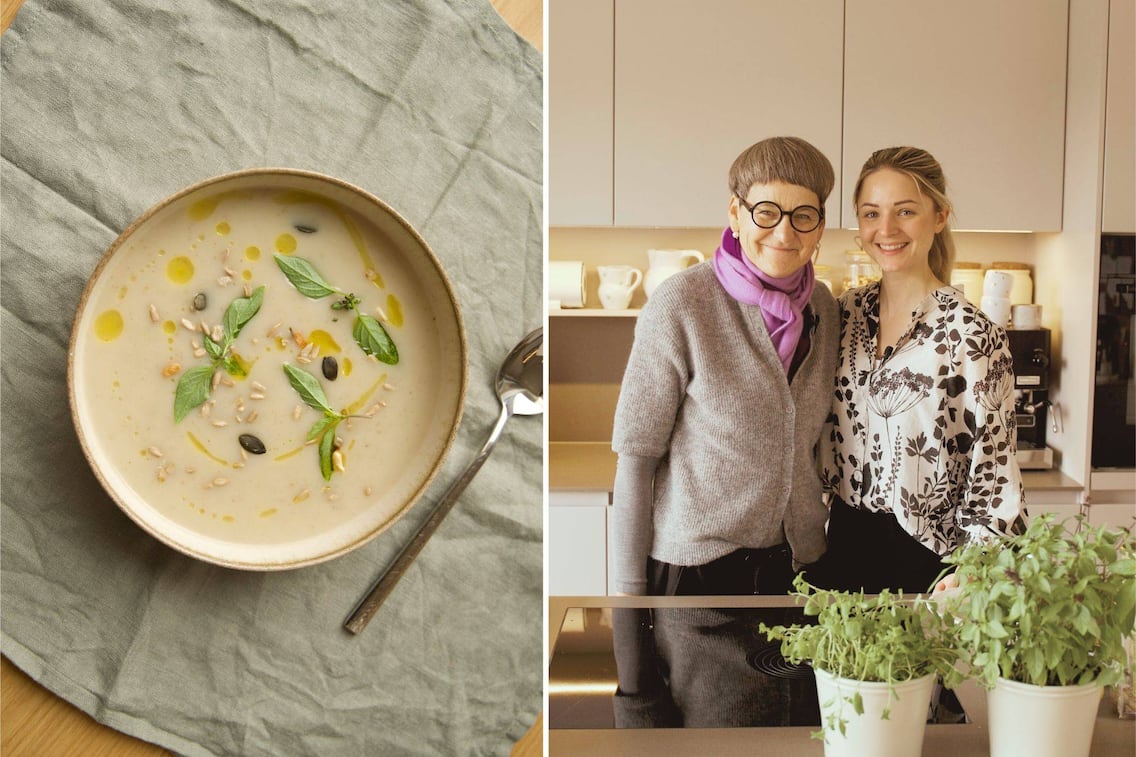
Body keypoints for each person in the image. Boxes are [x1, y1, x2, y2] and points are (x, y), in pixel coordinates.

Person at [609, 136, 840, 596]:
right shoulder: (683, 303)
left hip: (802, 570)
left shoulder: (824, 308)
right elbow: (635, 462)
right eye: (766, 212)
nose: (784, 233)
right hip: (698, 574)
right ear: (735, 213)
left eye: (803, 216)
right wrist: (628, 602)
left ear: (820, 225)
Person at [813, 146, 1027, 595]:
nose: (886, 230)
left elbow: (994, 473)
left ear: (940, 215)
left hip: (931, 561)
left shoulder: (972, 334)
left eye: (905, 211)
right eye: (871, 214)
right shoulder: (842, 315)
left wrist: (974, 572)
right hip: (842, 545)